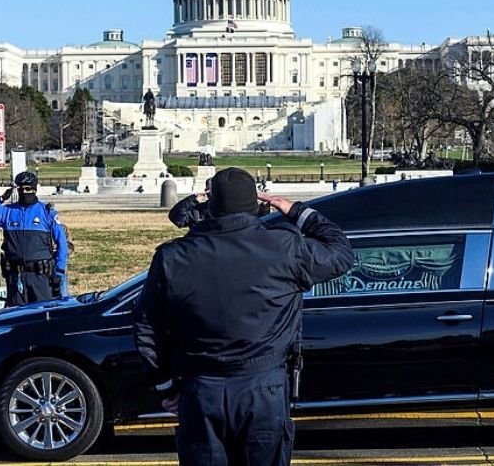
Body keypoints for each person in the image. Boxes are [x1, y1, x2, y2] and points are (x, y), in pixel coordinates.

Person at [133, 167, 355, 466]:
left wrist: (164, 385)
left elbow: (147, 325)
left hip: (201, 390)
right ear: (257, 204)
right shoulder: (284, 247)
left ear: (210, 206)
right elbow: (340, 251)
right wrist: (295, 210)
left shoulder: (174, 256)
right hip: (262, 389)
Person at [0, 171, 69, 305]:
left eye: (28, 188)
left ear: (35, 189)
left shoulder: (46, 211)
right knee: (16, 318)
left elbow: (62, 243)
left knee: (42, 316)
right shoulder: (7, 211)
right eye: (21, 188)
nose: (24, 192)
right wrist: (0, 199)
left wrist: (59, 271)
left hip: (39, 276)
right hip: (15, 277)